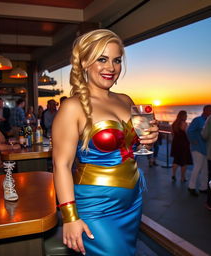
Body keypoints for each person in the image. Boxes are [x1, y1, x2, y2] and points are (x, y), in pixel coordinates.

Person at [52, 29, 158, 256]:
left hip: (133, 200)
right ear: (84, 62)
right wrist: (70, 217)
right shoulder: (73, 107)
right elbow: (61, 166)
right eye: (102, 59)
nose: (111, 67)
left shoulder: (125, 99)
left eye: (116, 60)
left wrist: (150, 137)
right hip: (96, 207)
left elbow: (133, 142)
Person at [187, 105, 211, 196]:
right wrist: (193, 141)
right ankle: (191, 187)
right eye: (210, 110)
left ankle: (203, 187)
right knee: (197, 167)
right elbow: (189, 131)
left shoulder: (210, 121)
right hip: (197, 148)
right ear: (204, 110)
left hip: (206, 149)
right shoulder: (198, 120)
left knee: (205, 169)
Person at [170, 110, 192, 182]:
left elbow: (172, 134)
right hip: (183, 144)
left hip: (176, 143)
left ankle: (173, 175)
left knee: (176, 160)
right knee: (184, 161)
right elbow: (187, 134)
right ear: (183, 116)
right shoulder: (184, 124)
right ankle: (183, 177)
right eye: (185, 115)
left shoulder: (174, 124)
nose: (186, 116)